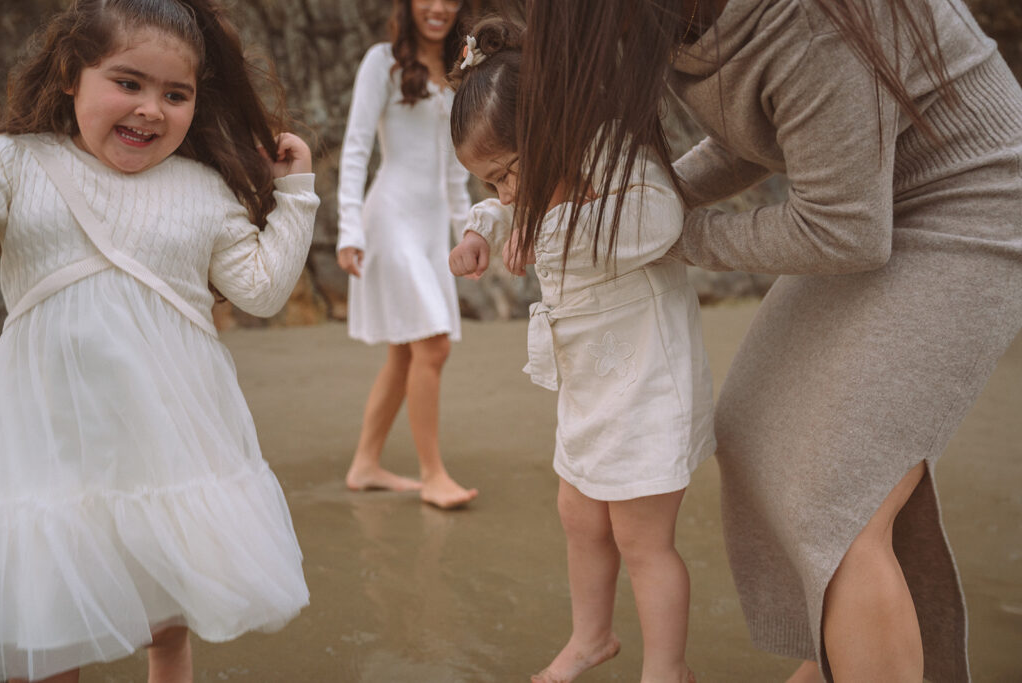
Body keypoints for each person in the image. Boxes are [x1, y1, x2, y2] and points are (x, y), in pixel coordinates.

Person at [510, 1, 1022, 681]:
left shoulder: (811, 24)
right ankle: (842, 652)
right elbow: (751, 137)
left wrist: (664, 234)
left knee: (834, 494)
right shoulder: (682, 18)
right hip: (872, 193)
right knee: (752, 428)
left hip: (970, 197)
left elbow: (843, 231)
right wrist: (632, 213)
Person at [0, 0, 319, 680]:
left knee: (166, 620)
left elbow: (260, 290)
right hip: (51, 446)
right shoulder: (17, 166)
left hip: (166, 443)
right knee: (55, 625)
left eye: (176, 94)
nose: (150, 108)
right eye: (128, 82)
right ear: (69, 77)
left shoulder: (203, 191)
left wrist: (295, 195)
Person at [448, 19, 715, 683]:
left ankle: (667, 667)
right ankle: (591, 636)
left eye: (507, 173)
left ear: (550, 126)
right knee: (578, 509)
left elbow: (661, 217)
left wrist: (545, 230)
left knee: (642, 537)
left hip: (647, 381)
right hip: (590, 378)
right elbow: (511, 205)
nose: (506, 192)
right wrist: (483, 228)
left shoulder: (612, 154)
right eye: (491, 182)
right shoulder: (531, 180)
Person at [336, 0, 478, 509]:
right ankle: (433, 474)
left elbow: (458, 166)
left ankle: (366, 464)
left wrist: (469, 232)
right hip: (390, 217)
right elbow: (356, 149)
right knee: (433, 345)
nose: (437, 7)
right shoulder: (382, 62)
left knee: (406, 351)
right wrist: (349, 229)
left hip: (431, 225)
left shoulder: (466, 68)